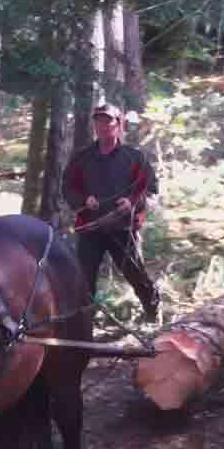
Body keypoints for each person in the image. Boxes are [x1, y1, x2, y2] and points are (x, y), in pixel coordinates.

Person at [62, 102, 162, 321]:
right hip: (90, 229)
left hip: (123, 228)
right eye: (98, 121)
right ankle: (83, 325)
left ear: (119, 125)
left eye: (108, 121)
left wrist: (131, 203)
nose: (103, 125)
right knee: (84, 279)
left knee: (135, 274)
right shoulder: (82, 157)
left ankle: (153, 314)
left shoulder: (135, 157)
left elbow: (150, 190)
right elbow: (68, 187)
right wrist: (84, 199)